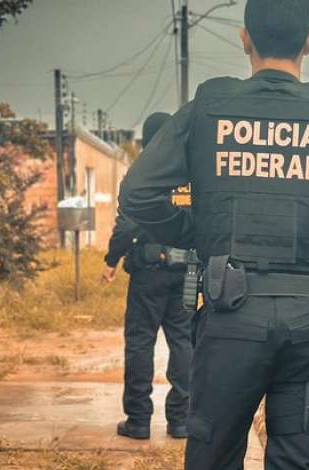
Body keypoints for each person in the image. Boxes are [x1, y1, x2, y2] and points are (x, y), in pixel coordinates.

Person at [118, 1, 309, 468]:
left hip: (230, 317)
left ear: (245, 39)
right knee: (298, 458)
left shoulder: (208, 110)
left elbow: (137, 193)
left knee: (213, 455)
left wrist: (197, 233)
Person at [102, 112, 191, 440]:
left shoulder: (144, 174)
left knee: (140, 343)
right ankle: (180, 420)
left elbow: (127, 226)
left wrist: (112, 260)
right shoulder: (191, 175)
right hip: (186, 273)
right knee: (184, 343)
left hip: (148, 274)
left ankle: (139, 420)